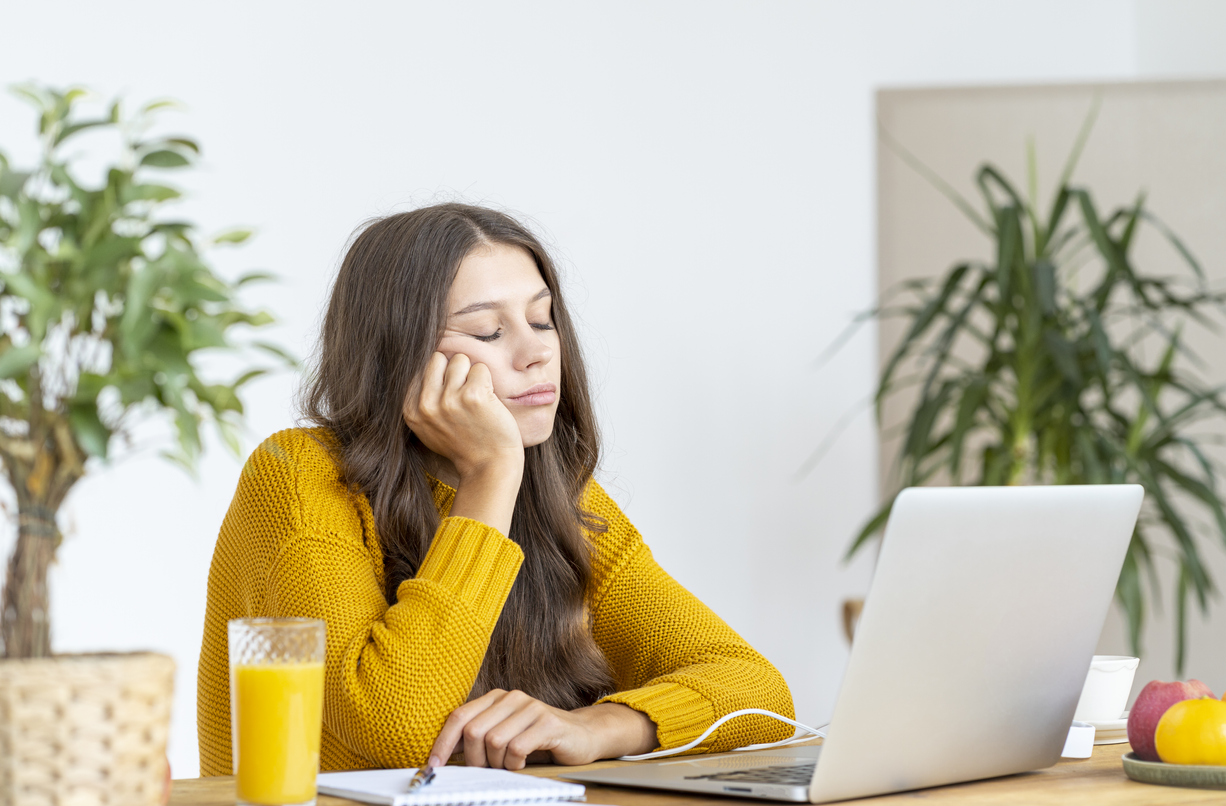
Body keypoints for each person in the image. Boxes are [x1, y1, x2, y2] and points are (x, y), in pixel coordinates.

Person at [196, 203, 794, 775]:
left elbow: (758, 692)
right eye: (486, 331)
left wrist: (595, 728)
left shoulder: (564, 501)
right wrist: (491, 473)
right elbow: (394, 723)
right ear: (396, 357)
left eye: (542, 319)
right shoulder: (300, 474)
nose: (537, 353)